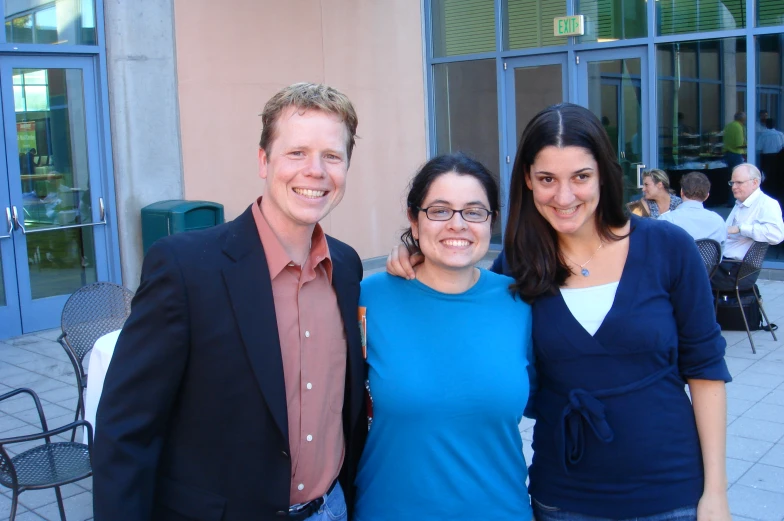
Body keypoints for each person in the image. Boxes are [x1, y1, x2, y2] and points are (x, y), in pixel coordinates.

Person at [388, 103, 731, 521]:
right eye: (547, 179)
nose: (564, 197)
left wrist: (715, 492)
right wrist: (415, 251)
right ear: (529, 180)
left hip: (671, 493)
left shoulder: (668, 247)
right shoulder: (516, 266)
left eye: (580, 177)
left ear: (604, 173)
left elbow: (707, 369)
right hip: (565, 499)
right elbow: (461, 312)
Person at [93, 83, 368, 521]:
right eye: (296, 153)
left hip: (330, 509)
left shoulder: (348, 267)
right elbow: (126, 431)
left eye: (332, 156)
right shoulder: (185, 268)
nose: (315, 170)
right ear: (263, 160)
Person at [354, 153, 535, 521]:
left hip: (501, 511)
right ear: (414, 220)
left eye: (473, 211)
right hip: (390, 511)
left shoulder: (523, 304)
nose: (458, 225)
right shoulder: (366, 300)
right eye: (439, 211)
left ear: (491, 221)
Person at [711, 163, 784, 288]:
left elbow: (776, 234)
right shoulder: (740, 202)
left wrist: (740, 228)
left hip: (736, 269)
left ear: (755, 183)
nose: (734, 187)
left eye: (739, 183)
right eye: (732, 183)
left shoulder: (766, 204)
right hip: (724, 264)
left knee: (689, 275)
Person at [659, 171, 727, 251]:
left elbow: (657, 251)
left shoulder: (666, 220)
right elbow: (719, 255)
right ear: (706, 196)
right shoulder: (719, 221)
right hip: (707, 264)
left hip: (677, 263)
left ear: (681, 192)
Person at [723, 111, 747, 206]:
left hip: (728, 154)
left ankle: (731, 201)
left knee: (731, 178)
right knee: (738, 180)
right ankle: (734, 201)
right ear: (742, 119)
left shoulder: (728, 126)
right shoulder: (738, 127)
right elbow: (739, 144)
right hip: (736, 154)